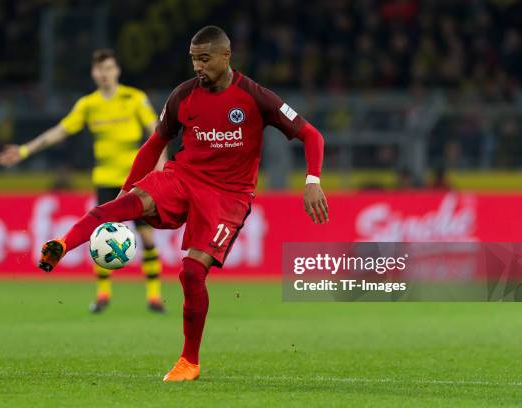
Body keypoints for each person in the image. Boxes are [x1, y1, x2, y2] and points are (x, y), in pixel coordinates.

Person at [37, 26, 328, 381]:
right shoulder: (182, 96)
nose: (197, 67)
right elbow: (154, 146)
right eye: (193, 59)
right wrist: (127, 190)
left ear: (225, 57)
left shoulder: (256, 97)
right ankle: (63, 244)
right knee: (124, 205)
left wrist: (312, 180)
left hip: (228, 196)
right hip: (184, 177)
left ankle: (189, 362)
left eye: (204, 59)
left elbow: (311, 134)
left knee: (191, 273)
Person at [0, 49, 167, 314]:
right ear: (93, 73)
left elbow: (157, 135)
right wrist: (24, 150)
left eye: (109, 68)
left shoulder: (135, 98)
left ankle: (154, 297)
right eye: (100, 70)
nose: (105, 74)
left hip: (136, 180)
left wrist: (162, 169)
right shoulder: (89, 104)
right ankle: (102, 295)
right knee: (99, 238)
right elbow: (59, 132)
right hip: (105, 178)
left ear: (117, 70)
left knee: (147, 237)